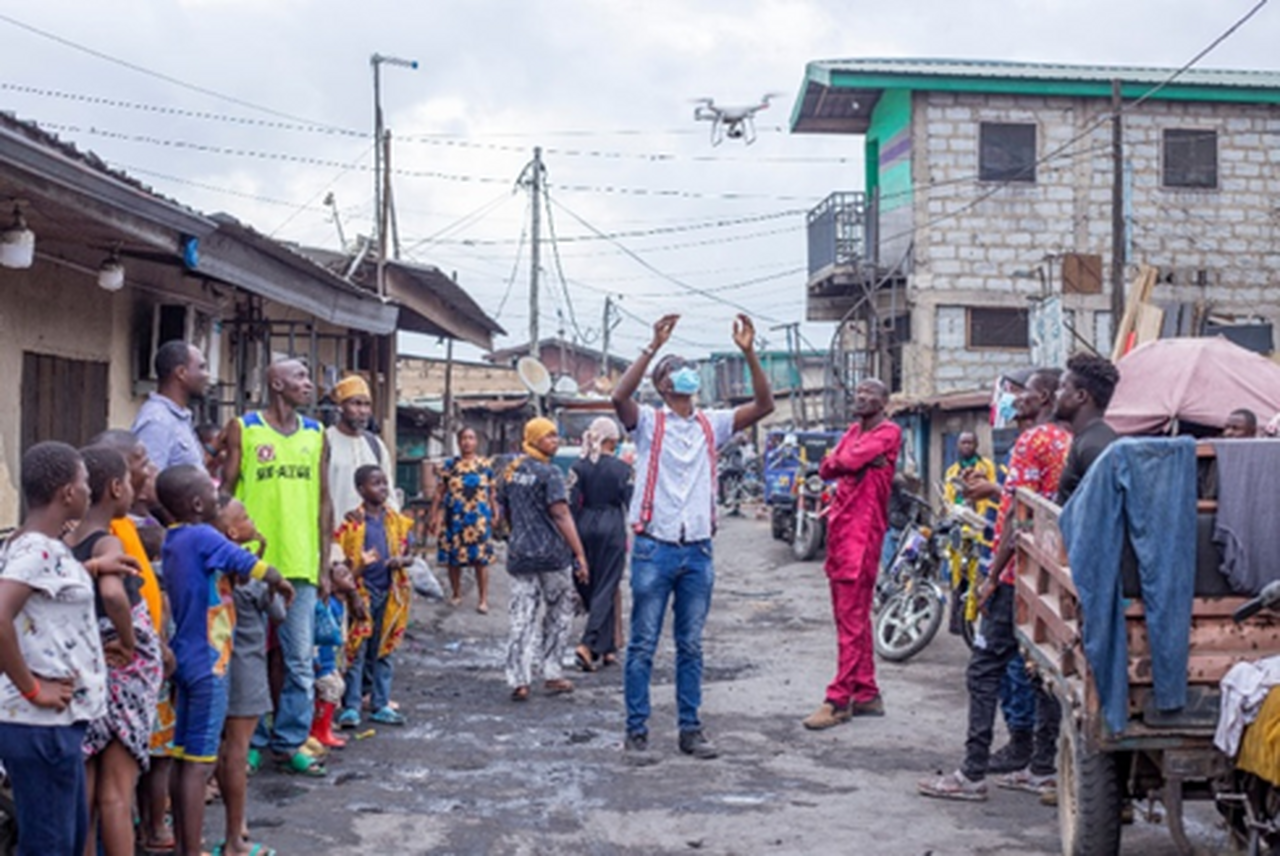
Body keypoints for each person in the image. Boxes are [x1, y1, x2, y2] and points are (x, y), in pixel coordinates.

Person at [611, 313, 774, 763]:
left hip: (698, 551)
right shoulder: (647, 422)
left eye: (686, 367)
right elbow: (617, 396)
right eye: (674, 368)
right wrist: (652, 347)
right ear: (664, 386)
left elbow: (764, 405)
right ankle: (637, 733)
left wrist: (748, 352)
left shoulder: (713, 423)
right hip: (653, 549)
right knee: (643, 645)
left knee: (691, 646)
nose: (685, 372)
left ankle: (691, 729)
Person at [919, 368, 1070, 801]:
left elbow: (1018, 517)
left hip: (1015, 573)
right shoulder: (1064, 440)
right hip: (1048, 570)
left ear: (1041, 397)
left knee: (984, 668)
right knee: (1040, 669)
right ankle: (1042, 768)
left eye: (1020, 394)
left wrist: (991, 576)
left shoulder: (1032, 441)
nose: (1013, 400)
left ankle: (970, 775)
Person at [0, 442, 134, 855]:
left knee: (68, 839)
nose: (90, 491)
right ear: (66, 493)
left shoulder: (38, 546)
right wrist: (32, 688)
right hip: (39, 723)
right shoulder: (36, 548)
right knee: (51, 846)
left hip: (58, 725)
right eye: (82, 482)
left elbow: (47, 584)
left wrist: (91, 569)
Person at [155, 464, 295, 856]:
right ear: (199, 503)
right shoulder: (201, 536)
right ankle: (197, 849)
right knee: (200, 762)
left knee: (184, 757)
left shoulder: (175, 537)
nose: (219, 500)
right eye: (214, 496)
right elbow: (255, 566)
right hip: (208, 661)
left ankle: (187, 843)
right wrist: (280, 579)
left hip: (186, 654)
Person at [222, 358, 332, 776]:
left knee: (299, 660)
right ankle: (249, 741)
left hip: (300, 564)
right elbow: (226, 493)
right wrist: (222, 553)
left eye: (308, 375)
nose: (309, 384)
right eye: (300, 377)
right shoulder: (245, 428)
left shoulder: (316, 433)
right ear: (276, 383)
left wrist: (323, 563)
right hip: (250, 566)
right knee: (248, 657)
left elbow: (324, 501)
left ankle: (288, 742)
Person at [68, 447, 163, 856]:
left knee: (84, 798)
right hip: (121, 675)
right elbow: (113, 593)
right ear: (114, 487)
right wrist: (128, 641)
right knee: (117, 795)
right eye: (130, 478)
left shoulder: (62, 541)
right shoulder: (106, 541)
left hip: (82, 672)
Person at [802, 379, 902, 730]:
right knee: (851, 618)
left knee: (851, 619)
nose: (860, 397)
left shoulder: (888, 433)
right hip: (842, 533)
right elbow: (828, 466)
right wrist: (845, 461)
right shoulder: (853, 431)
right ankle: (866, 692)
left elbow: (843, 461)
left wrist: (845, 461)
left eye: (870, 394)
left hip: (861, 537)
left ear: (884, 402)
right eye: (858, 393)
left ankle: (839, 699)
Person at [498, 418, 590, 702]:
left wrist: (516, 536)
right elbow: (561, 515)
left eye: (555, 436)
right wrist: (580, 554)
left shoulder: (510, 472)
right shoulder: (550, 474)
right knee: (559, 615)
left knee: (522, 616)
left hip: (520, 554)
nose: (555, 440)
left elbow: (504, 512)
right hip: (552, 555)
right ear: (534, 439)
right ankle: (551, 672)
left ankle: (519, 680)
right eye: (548, 436)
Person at [215, 494, 286, 856]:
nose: (250, 519)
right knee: (238, 752)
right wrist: (262, 557)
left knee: (220, 747)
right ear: (231, 531)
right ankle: (236, 833)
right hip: (246, 665)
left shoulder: (211, 565)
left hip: (217, 666)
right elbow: (278, 613)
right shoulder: (249, 575)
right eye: (244, 516)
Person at [336, 465, 415, 729]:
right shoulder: (352, 523)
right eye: (375, 483)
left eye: (384, 483)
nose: (382, 488)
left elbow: (410, 553)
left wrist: (399, 560)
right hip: (362, 593)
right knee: (357, 650)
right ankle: (352, 706)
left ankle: (380, 703)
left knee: (385, 649)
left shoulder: (395, 520)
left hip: (391, 594)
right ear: (361, 490)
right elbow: (341, 560)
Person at [570, 416, 634, 672]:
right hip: (611, 527)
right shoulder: (622, 469)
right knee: (607, 587)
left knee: (592, 584)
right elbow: (631, 502)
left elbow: (572, 504)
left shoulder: (578, 467)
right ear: (612, 440)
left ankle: (607, 648)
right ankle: (587, 644)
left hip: (584, 526)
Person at [430, 427, 497, 614]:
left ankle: (483, 600)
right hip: (455, 518)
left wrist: (495, 512)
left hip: (479, 519)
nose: (467, 442)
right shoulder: (449, 466)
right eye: (464, 438)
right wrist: (434, 515)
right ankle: (456, 593)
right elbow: (439, 492)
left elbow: (492, 492)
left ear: (476, 442)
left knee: (480, 560)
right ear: (458, 442)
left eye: (471, 438)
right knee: (454, 558)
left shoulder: (485, 465)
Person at [325, 374, 397, 529]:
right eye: (356, 404)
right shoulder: (325, 442)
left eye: (366, 405)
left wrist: (395, 527)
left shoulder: (375, 444)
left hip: (372, 538)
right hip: (335, 536)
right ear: (340, 407)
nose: (363, 411)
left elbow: (388, 491)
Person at [132, 340, 210, 471]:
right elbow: (148, 483)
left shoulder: (179, 418)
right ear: (181, 373)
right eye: (201, 367)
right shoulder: (157, 421)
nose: (207, 375)